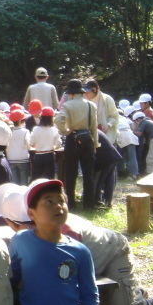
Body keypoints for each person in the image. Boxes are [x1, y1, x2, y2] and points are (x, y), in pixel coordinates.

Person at [0, 183, 153, 305]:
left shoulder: (62, 231)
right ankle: (132, 293)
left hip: (113, 251)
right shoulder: (33, 230)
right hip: (90, 260)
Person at [54, 79, 98, 210]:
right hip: (87, 139)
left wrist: (66, 131)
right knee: (88, 174)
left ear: (71, 93)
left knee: (71, 173)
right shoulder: (91, 105)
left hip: (72, 139)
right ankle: (89, 204)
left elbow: (57, 120)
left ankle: (71, 203)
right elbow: (94, 127)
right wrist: (95, 144)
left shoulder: (68, 105)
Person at [30, 107, 61, 180]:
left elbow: (31, 143)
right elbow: (58, 144)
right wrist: (54, 146)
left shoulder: (36, 129)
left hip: (38, 155)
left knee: (36, 178)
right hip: (49, 155)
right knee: (49, 178)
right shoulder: (54, 130)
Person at [94, 129, 122, 207]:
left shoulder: (91, 132)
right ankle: (107, 201)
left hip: (106, 158)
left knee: (100, 180)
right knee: (109, 180)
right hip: (112, 155)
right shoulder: (96, 131)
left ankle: (97, 201)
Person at [6, 109, 31, 186]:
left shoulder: (7, 131)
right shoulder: (25, 131)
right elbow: (28, 145)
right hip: (23, 158)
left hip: (11, 159)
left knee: (14, 183)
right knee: (24, 182)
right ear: (20, 121)